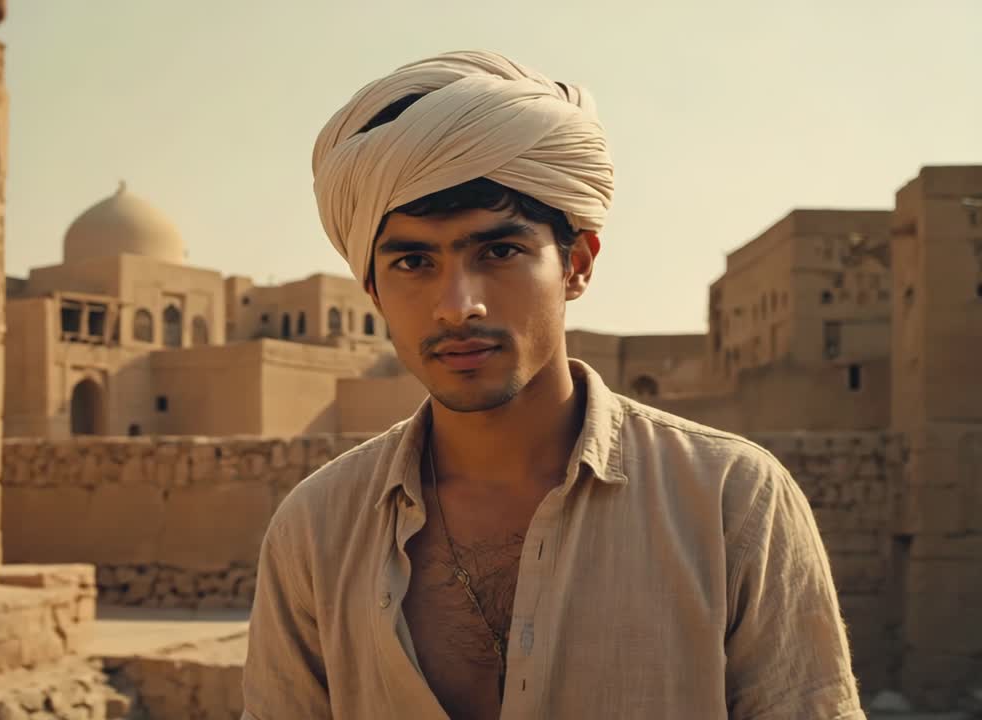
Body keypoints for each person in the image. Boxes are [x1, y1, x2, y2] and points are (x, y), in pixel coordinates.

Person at [241, 50, 864, 720]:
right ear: (373, 290)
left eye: (498, 252)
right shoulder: (317, 529)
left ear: (577, 263)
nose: (457, 305)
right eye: (414, 262)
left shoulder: (729, 503)